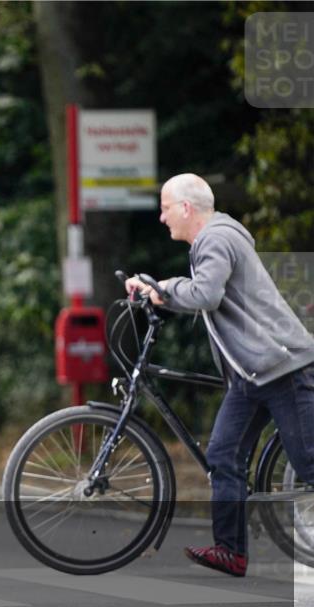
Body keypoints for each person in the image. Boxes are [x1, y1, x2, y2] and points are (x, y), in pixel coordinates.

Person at [126, 173, 314, 577]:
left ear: (186, 208)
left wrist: (163, 287)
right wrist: (159, 294)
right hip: (251, 375)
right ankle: (231, 552)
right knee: (223, 456)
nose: (161, 218)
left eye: (165, 208)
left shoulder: (216, 239)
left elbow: (206, 294)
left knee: (308, 463)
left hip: (283, 369)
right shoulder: (212, 241)